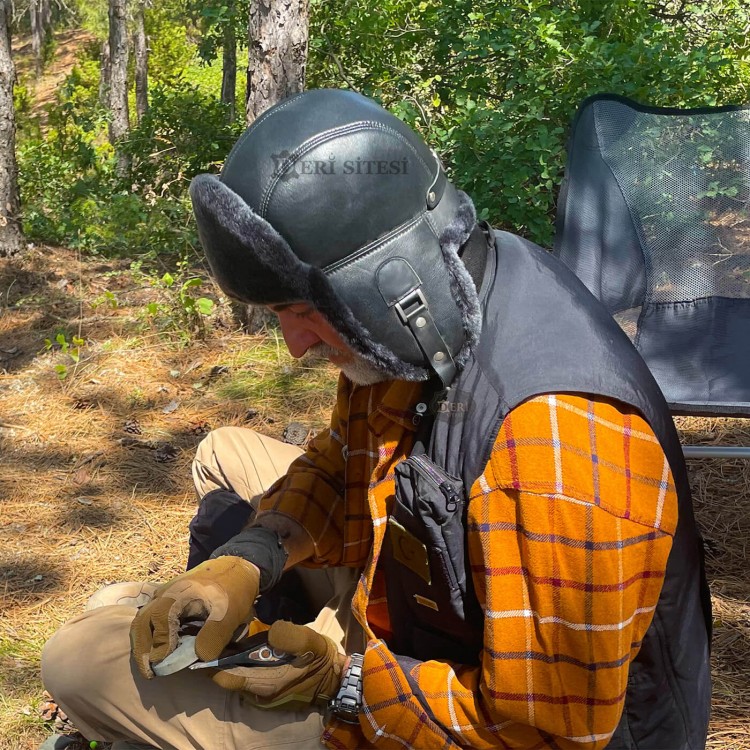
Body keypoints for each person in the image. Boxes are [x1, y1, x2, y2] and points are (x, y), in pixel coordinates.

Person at [40, 88, 712, 750]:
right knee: (224, 459)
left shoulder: (553, 441)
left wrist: (346, 683)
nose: (295, 347)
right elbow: (345, 459)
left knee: (80, 657)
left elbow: (543, 735)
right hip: (432, 609)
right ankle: (276, 625)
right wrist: (250, 559)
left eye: (303, 313)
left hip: (493, 719)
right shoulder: (439, 308)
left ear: (390, 281)